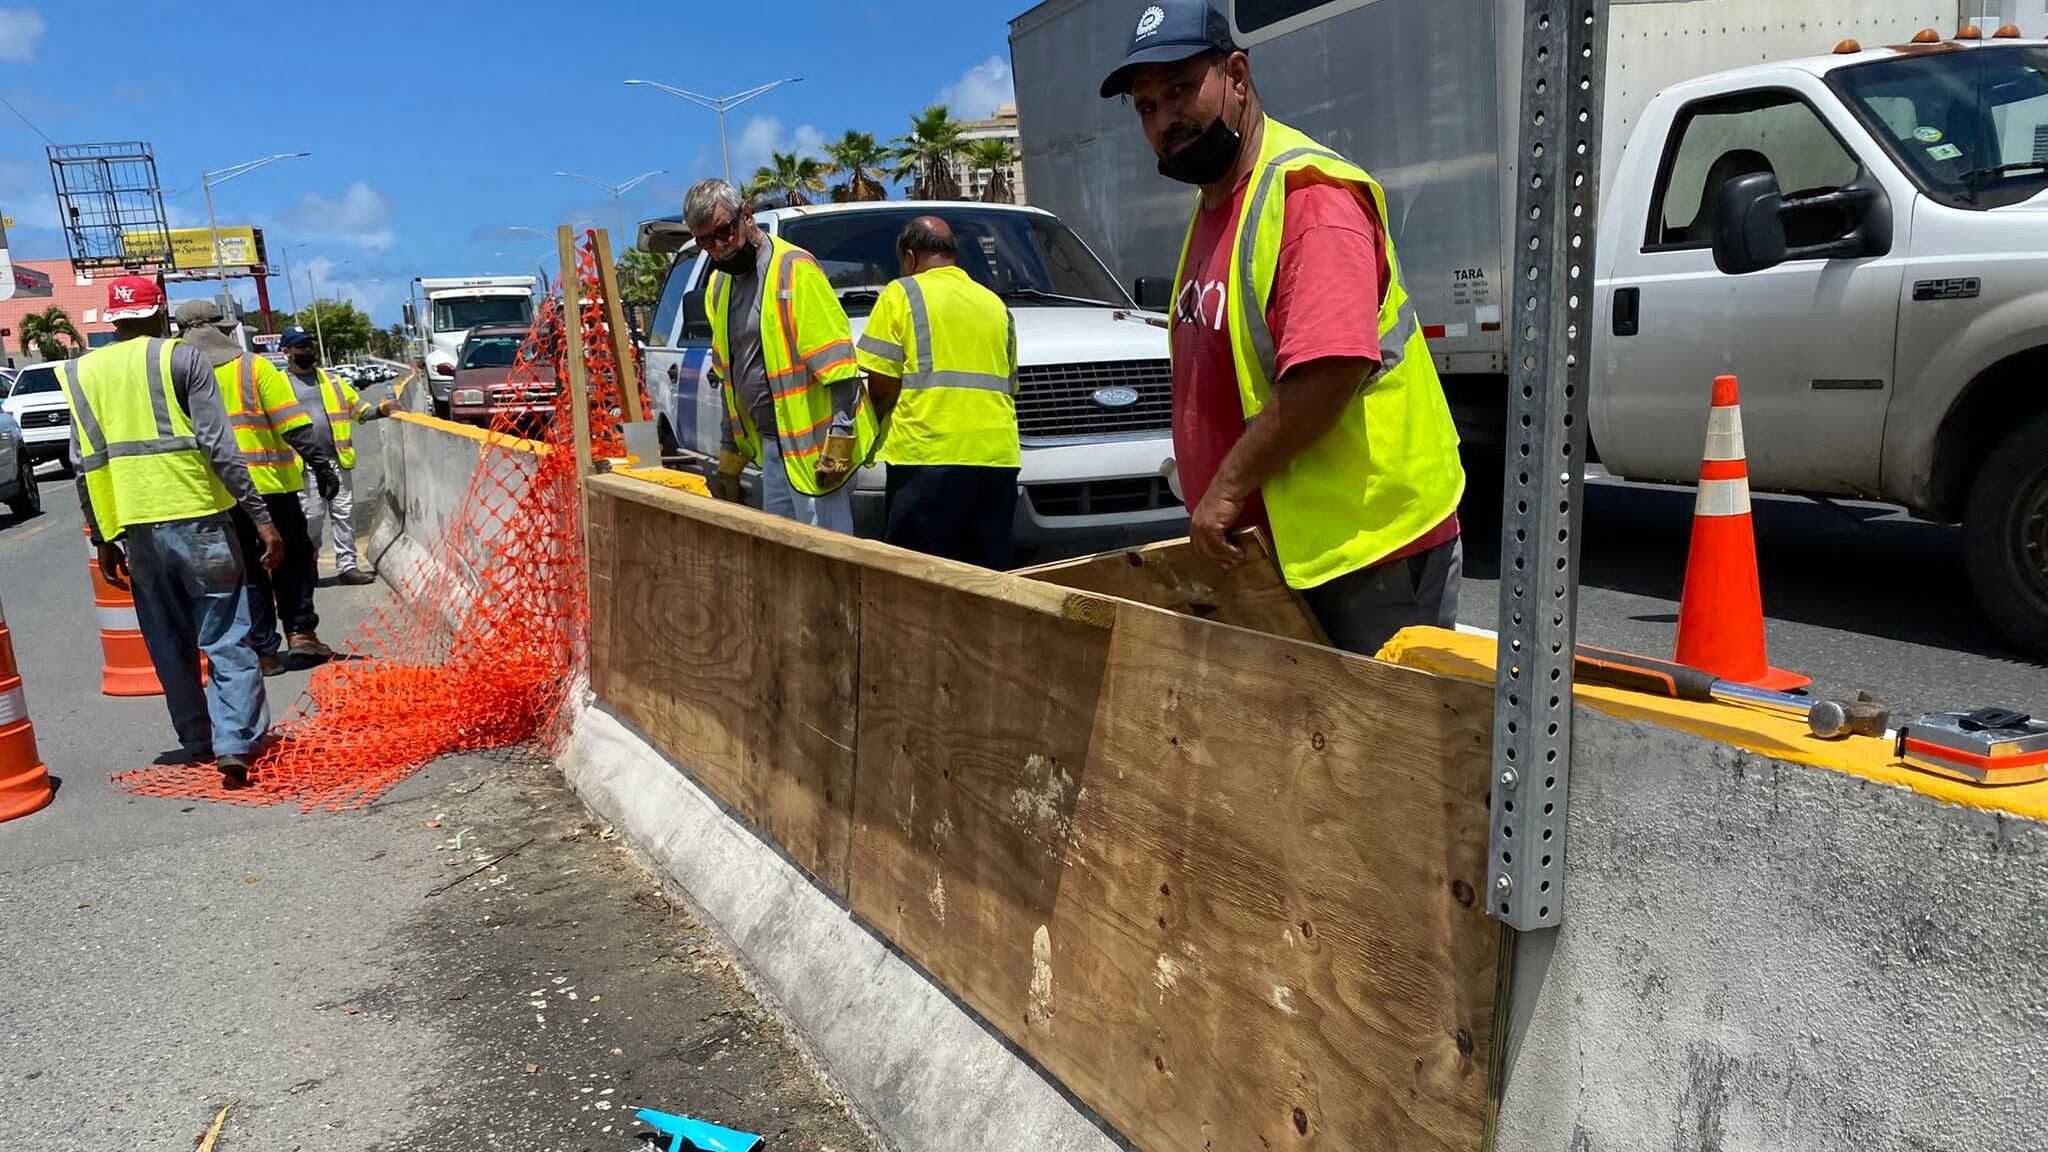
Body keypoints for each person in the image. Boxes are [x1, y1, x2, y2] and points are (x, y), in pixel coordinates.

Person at [1101, 0, 1467, 657]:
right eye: (1145, 107)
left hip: (1366, 552)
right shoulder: (1216, 206)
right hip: (1284, 557)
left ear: (1237, 77)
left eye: (1181, 89)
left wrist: (1227, 489)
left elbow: (1328, 371)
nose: (1163, 121)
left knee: (1381, 754)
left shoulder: (1307, 196)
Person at [56, 276, 282, 786]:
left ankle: (199, 739)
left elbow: (83, 462)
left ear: (113, 321)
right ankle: (237, 742)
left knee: (166, 638)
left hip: (135, 526)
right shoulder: (181, 357)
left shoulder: (81, 372)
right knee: (225, 633)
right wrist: (261, 518)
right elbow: (218, 445)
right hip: (200, 517)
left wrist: (100, 535)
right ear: (160, 313)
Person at [685, 178, 879, 532]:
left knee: (829, 556)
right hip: (774, 450)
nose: (719, 247)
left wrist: (840, 440)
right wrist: (730, 451)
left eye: (724, 232)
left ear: (746, 217)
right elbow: (731, 377)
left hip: (817, 449)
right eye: (706, 241)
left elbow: (839, 366)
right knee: (785, 555)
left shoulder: (793, 269)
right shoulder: (719, 286)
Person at [173, 302, 343, 676]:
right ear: (225, 330)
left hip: (218, 493)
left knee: (246, 572)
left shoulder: (176, 373)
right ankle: (301, 634)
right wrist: (320, 464)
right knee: (293, 559)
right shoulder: (253, 367)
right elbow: (292, 423)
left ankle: (265, 653)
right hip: (271, 486)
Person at [856, 216, 1022, 567]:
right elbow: (1009, 386)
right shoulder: (995, 305)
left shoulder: (902, 292)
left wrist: (870, 436)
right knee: (987, 576)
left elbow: (882, 386)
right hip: (997, 460)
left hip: (927, 458)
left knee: (919, 578)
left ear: (909, 256)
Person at [280, 326, 399, 591]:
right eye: (300, 347)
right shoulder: (278, 385)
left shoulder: (331, 381)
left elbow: (358, 410)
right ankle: (308, 563)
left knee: (343, 515)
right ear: (286, 351)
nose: (307, 351)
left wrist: (381, 410)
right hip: (302, 465)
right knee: (311, 517)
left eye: (309, 346)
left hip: (335, 460)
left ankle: (347, 567)